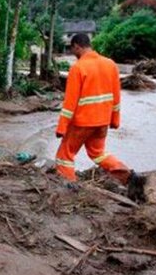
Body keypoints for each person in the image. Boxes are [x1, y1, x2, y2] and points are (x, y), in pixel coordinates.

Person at [55, 33, 141, 196]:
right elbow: (116, 96)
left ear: (77, 46)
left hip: (82, 122)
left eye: (72, 49)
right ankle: (127, 175)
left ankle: (69, 188)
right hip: (102, 121)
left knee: (65, 155)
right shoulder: (110, 65)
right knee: (98, 153)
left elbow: (69, 103)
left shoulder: (78, 67)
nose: (73, 53)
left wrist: (61, 127)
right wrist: (115, 120)